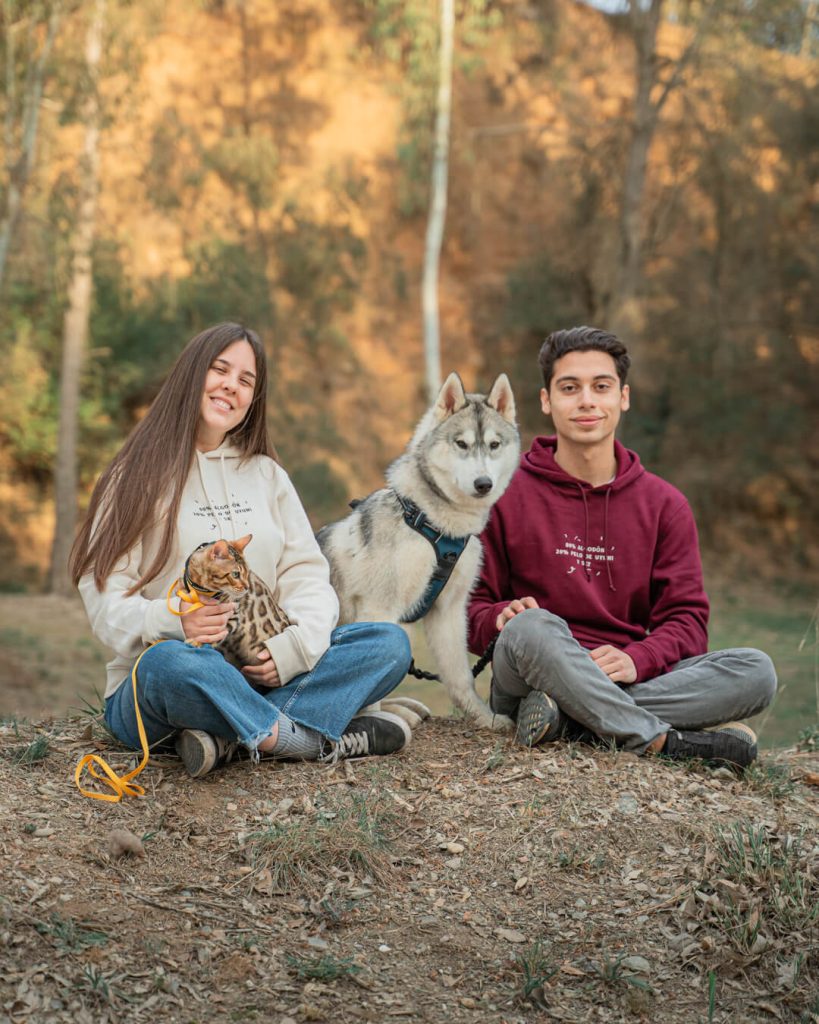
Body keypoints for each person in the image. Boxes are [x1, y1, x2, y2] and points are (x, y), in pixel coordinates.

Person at [70, 322, 412, 778]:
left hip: (264, 674)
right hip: (172, 680)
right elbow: (104, 599)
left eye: (246, 381)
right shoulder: (133, 476)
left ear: (254, 399)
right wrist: (173, 621)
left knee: (387, 644)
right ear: (192, 374)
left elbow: (306, 576)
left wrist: (292, 650)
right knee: (168, 664)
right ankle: (303, 739)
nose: (231, 385)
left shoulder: (267, 476)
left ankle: (229, 736)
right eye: (220, 370)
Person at [467, 326, 777, 769]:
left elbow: (687, 621)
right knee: (532, 627)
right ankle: (658, 742)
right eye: (570, 388)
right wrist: (499, 618)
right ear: (546, 400)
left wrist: (638, 657)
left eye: (601, 386)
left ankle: (574, 724)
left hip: (620, 678)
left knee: (756, 671)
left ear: (623, 397)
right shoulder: (503, 494)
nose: (587, 401)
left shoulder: (665, 505)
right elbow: (470, 608)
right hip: (531, 672)